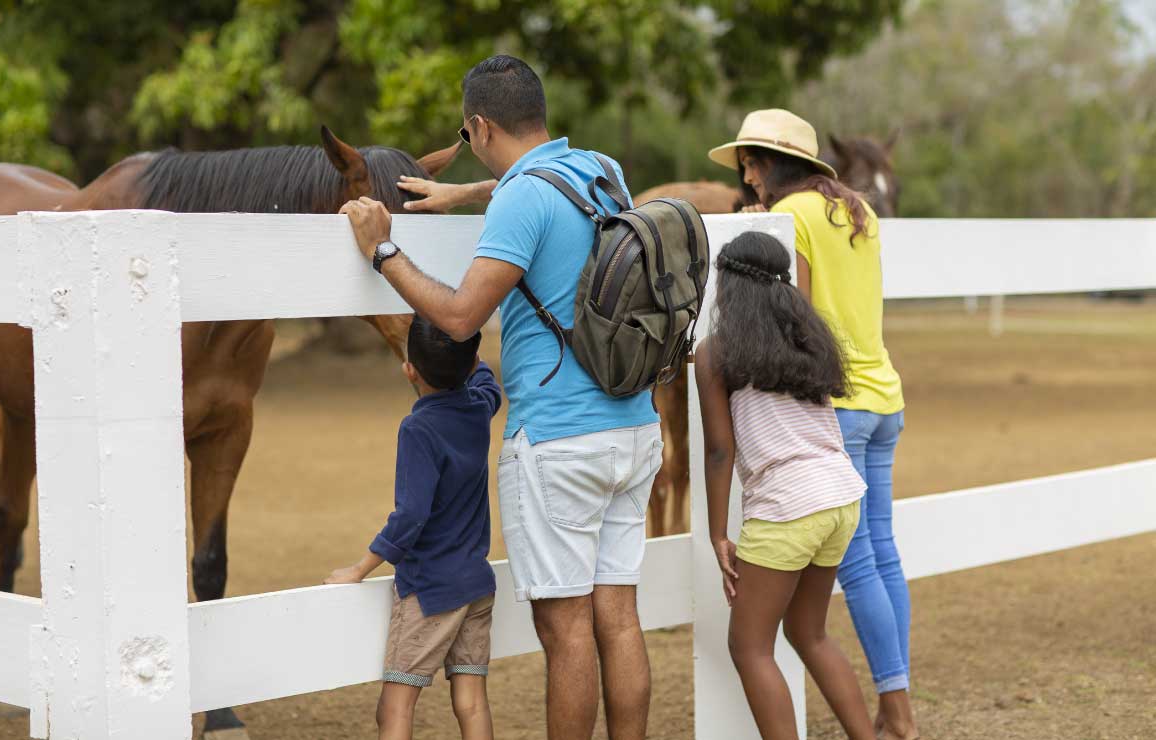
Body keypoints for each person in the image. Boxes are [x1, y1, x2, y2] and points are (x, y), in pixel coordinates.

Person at [339, 55, 662, 740]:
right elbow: (546, 202)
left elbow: (460, 316)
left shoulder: (521, 198)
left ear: (480, 126)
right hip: (633, 427)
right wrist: (468, 195)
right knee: (620, 616)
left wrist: (383, 251)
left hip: (560, 440)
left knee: (567, 629)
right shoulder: (604, 171)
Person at [709, 109, 919, 740]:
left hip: (836, 405)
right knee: (880, 554)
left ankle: (901, 719)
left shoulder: (790, 216)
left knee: (855, 570)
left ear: (774, 162)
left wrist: (758, 235)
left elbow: (789, 307)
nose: (747, 178)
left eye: (750, 163)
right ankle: (894, 707)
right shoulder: (858, 209)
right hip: (883, 393)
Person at [696, 230, 873, 740]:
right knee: (809, 632)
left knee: (749, 647)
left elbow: (718, 450)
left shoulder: (718, 352)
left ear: (728, 284)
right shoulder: (809, 340)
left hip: (789, 507)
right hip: (840, 497)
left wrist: (717, 535)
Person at [324, 316, 501, 740]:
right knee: (471, 700)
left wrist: (359, 569)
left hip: (431, 591)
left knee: (395, 707)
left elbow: (410, 515)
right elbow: (487, 381)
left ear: (409, 370)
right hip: (476, 585)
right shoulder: (479, 407)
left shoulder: (419, 428)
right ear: (473, 358)